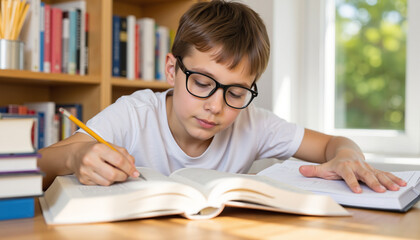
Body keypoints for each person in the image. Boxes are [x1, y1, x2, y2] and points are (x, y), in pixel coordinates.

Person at [38, 0, 406, 193]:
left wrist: (346, 157)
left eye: (236, 91)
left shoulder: (253, 123)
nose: (216, 105)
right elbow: (41, 163)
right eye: (201, 82)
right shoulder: (134, 114)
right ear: (171, 70)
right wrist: (77, 154)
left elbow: (336, 143)